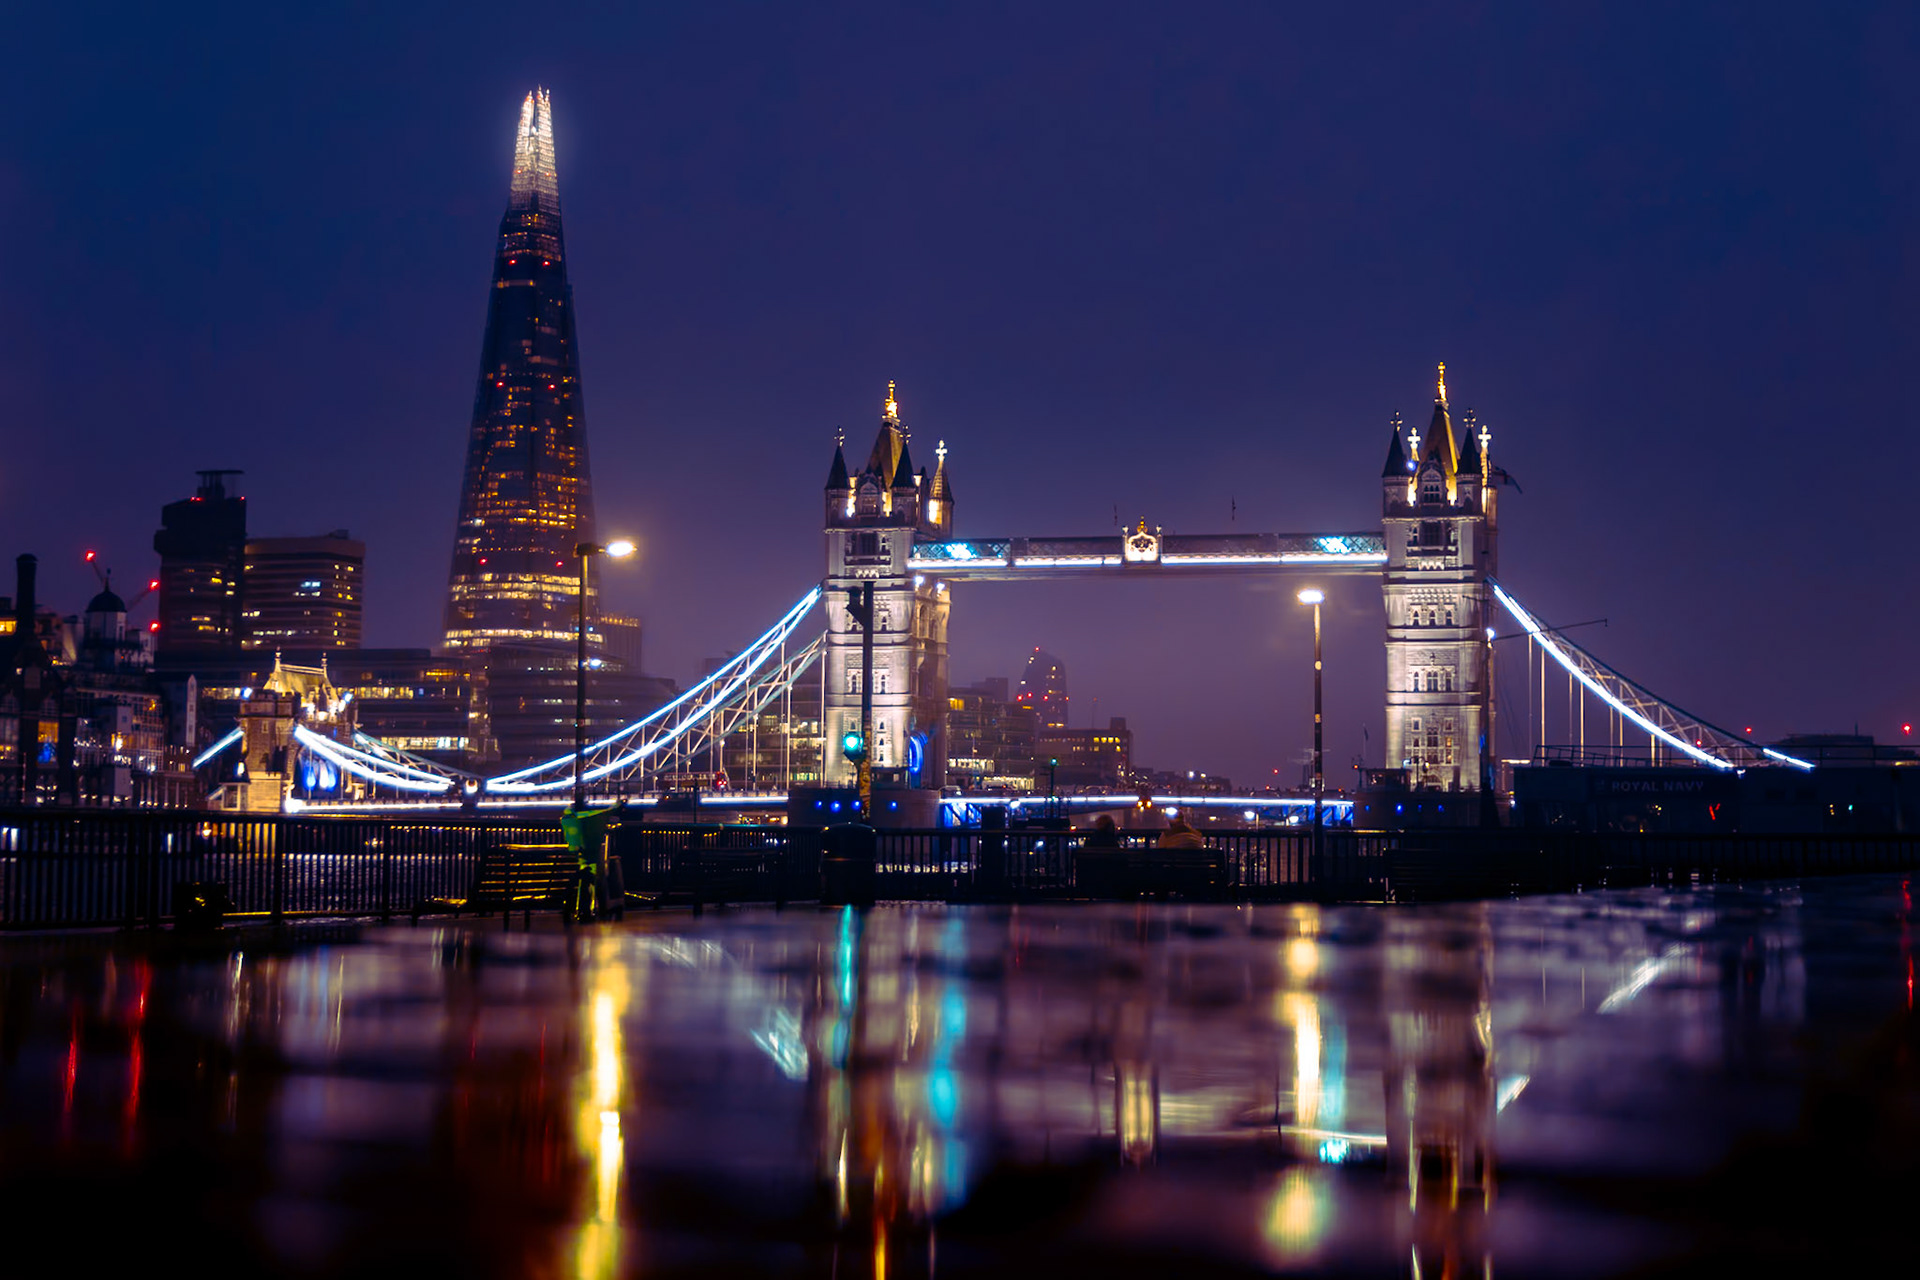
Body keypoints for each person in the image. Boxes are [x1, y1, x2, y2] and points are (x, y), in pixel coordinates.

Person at [561, 801, 620, 922]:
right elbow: (602, 814)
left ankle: (584, 909)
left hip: (564, 883)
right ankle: (599, 908)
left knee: (585, 875)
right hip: (589, 864)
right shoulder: (592, 821)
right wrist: (614, 808)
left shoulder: (568, 822)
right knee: (594, 876)